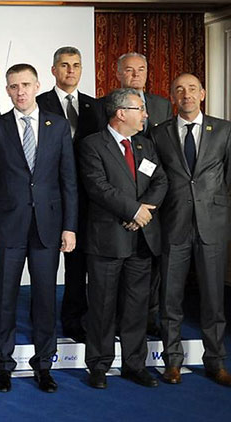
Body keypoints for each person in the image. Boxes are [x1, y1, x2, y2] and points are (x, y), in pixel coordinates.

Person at [0, 64, 77, 393]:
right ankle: (4, 365)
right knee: (4, 299)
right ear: (7, 90)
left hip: (48, 227)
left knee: (45, 299)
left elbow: (68, 180)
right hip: (6, 228)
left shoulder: (58, 125)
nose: (20, 91)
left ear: (37, 86)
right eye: (13, 86)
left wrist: (70, 227)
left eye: (25, 84)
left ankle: (44, 365)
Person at [79, 88, 167, 389]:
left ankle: (134, 364)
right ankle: (99, 365)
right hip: (107, 240)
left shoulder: (145, 144)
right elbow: (98, 187)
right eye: (140, 109)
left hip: (141, 239)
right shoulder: (92, 145)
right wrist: (133, 211)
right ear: (121, 113)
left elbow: (160, 180)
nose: (145, 114)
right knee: (102, 307)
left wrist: (143, 212)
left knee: (136, 307)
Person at [152, 73, 231, 387]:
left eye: (192, 89)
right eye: (179, 90)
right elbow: (155, 178)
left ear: (203, 94)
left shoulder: (224, 130)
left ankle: (215, 362)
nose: (186, 94)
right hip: (174, 224)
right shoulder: (159, 133)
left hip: (212, 224)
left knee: (213, 300)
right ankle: (172, 362)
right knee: (170, 298)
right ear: (172, 96)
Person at [36, 46, 106, 342]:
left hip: (88, 197)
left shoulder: (96, 107)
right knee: (45, 265)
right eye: (64, 65)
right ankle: (42, 322)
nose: (71, 70)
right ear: (54, 70)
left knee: (78, 265)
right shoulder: (38, 102)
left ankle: (75, 320)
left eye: (76, 65)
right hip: (49, 195)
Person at [113, 51, 172, 338]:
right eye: (129, 70)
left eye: (141, 69)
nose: (135, 74)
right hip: (121, 201)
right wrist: (131, 209)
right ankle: (117, 319)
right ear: (118, 74)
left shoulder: (162, 105)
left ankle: (150, 317)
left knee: (152, 265)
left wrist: (146, 207)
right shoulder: (106, 105)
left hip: (156, 197)